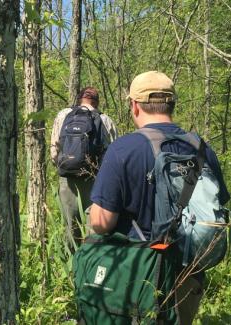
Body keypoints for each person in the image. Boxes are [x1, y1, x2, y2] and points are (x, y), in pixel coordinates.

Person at [89, 71, 230, 324]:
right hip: (188, 275)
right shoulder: (201, 148)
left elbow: (102, 223)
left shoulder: (122, 149)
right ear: (172, 103)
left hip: (137, 276)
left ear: (134, 105)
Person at [51, 87, 118, 249]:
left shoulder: (63, 115)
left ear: (79, 99)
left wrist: (63, 166)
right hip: (95, 180)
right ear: (97, 102)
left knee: (70, 226)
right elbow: (114, 155)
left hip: (68, 179)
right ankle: (90, 261)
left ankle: (70, 265)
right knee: (92, 226)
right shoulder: (105, 120)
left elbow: (54, 150)